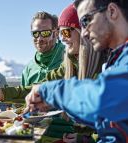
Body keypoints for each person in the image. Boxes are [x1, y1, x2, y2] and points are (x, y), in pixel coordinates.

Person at [25, 0, 128, 142]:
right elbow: (110, 122)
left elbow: (103, 98)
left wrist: (49, 92)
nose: (84, 33)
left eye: (86, 20)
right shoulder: (117, 59)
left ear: (112, 11)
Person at [21, 11, 65, 86]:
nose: (39, 38)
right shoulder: (29, 69)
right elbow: (23, 96)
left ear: (56, 34)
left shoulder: (68, 60)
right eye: (35, 33)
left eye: (45, 33)